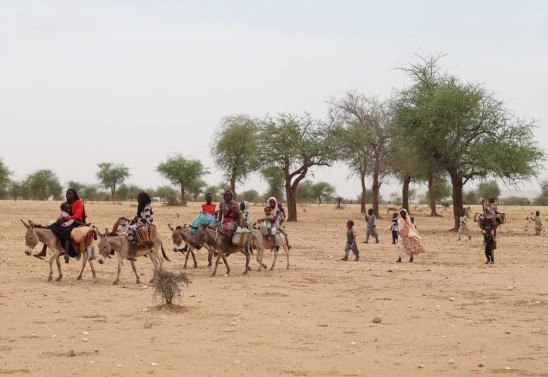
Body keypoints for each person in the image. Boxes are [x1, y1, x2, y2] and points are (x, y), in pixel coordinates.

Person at [35, 188, 88, 261]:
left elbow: (78, 215)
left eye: (70, 193)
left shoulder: (79, 202)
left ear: (74, 195)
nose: (68, 195)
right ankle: (43, 251)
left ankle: (67, 252)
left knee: (66, 232)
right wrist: (60, 219)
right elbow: (64, 213)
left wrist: (68, 219)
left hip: (76, 221)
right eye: (67, 194)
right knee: (51, 229)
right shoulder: (67, 203)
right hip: (67, 221)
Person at [126, 192, 154, 261]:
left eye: (139, 199)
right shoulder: (142, 206)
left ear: (143, 199)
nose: (137, 200)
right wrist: (134, 220)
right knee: (126, 226)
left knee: (130, 229)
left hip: (146, 225)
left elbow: (147, 219)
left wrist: (137, 222)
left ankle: (133, 251)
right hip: (140, 223)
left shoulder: (147, 206)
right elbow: (140, 217)